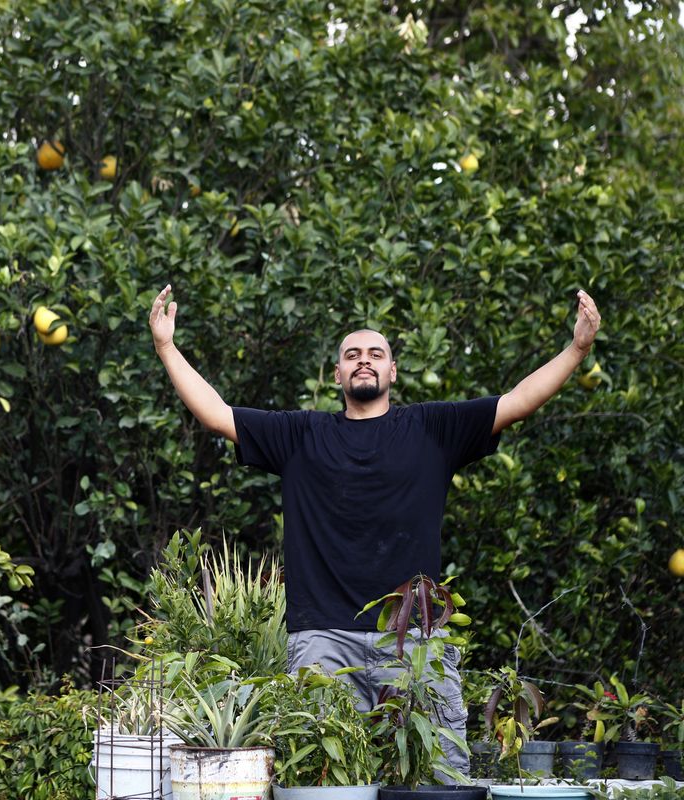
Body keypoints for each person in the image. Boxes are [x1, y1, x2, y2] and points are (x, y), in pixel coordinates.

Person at [148, 284, 601, 777]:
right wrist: (167, 348)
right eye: (352, 354)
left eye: (376, 353)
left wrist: (577, 348)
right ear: (338, 374)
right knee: (321, 778)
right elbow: (218, 415)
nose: (364, 361)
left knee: (439, 777)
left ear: (392, 371)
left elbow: (517, 401)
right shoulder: (301, 435)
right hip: (322, 639)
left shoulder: (433, 428)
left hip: (415, 639)